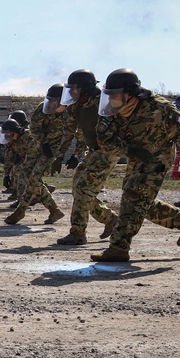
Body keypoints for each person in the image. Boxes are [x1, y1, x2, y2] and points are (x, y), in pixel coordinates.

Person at [91, 69, 180, 262]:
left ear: (131, 93)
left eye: (115, 94)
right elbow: (104, 139)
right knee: (139, 200)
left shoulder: (160, 108)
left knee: (134, 196)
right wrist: (130, 151)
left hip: (158, 158)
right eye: (109, 94)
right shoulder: (111, 110)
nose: (111, 99)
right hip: (136, 157)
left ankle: (118, 247)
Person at [54, 69, 119, 245]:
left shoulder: (103, 103)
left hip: (108, 151)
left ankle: (78, 233)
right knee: (77, 188)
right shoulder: (75, 106)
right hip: (93, 151)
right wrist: (60, 156)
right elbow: (69, 131)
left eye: (74, 89)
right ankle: (111, 220)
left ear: (85, 89)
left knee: (84, 189)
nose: (71, 93)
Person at [0, 118, 64, 225]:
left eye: (8, 133)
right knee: (35, 183)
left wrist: (25, 168)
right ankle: (54, 210)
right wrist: (6, 175)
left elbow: (32, 156)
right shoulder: (13, 142)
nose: (7, 136)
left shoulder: (28, 137)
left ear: (14, 131)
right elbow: (9, 158)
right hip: (33, 161)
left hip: (45, 157)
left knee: (31, 179)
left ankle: (21, 210)